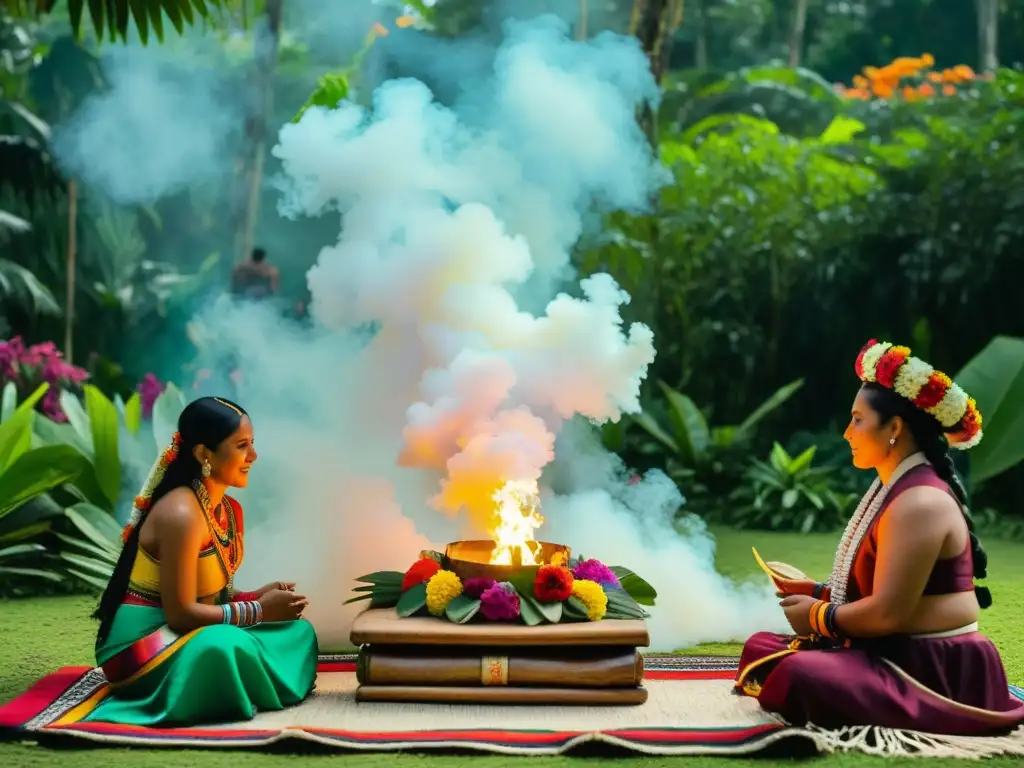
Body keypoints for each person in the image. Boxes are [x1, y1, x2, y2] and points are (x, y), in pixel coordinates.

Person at [736, 339, 1024, 736]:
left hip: (927, 665)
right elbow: (884, 597)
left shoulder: (919, 502)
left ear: (894, 428)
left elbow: (890, 614)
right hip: (893, 645)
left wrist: (819, 617)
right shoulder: (897, 486)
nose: (846, 432)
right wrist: (819, 590)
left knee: (797, 675)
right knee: (761, 648)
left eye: (857, 419)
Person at [82, 396, 318, 726]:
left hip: (193, 633)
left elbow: (209, 596)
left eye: (252, 444)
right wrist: (261, 611)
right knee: (222, 646)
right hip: (143, 647)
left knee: (296, 631)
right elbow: (180, 614)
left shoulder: (230, 510)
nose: (253, 456)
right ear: (204, 454)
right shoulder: (181, 513)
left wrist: (256, 596)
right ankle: (225, 685)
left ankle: (231, 685)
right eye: (241, 446)